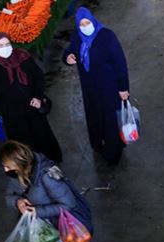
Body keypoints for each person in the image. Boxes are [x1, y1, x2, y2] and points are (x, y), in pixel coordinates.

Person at [0, 141, 93, 242]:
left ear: (20, 163)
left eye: (8, 166)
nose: (5, 170)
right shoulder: (17, 176)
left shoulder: (47, 176)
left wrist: (38, 211)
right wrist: (18, 202)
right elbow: (9, 196)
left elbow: (69, 204)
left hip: (60, 230)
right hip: (38, 230)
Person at [64, 7, 130, 166]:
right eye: (81, 24)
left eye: (87, 22)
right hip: (89, 89)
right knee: (95, 116)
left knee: (110, 120)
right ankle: (98, 143)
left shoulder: (107, 37)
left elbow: (120, 63)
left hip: (109, 88)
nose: (85, 26)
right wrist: (67, 57)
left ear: (93, 21)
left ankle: (114, 151)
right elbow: (69, 51)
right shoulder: (77, 38)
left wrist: (123, 88)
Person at [0, 33, 63, 164]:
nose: (5, 48)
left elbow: (39, 78)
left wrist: (38, 97)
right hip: (11, 113)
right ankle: (28, 164)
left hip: (32, 105)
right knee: (22, 140)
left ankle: (50, 161)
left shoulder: (23, 57)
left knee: (41, 134)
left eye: (7, 44)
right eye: (1, 45)